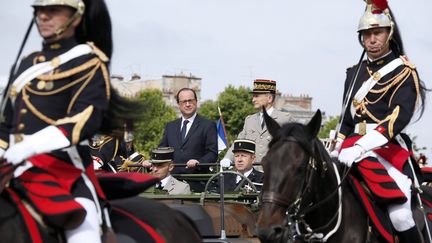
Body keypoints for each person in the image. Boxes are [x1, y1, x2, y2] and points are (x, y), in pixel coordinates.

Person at [0, 0, 141, 242]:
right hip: (13, 167)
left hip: (64, 171)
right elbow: (7, 124)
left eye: (53, 11)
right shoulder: (26, 64)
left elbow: (83, 120)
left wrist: (26, 148)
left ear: (75, 18)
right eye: (39, 10)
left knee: (84, 234)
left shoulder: (88, 62)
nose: (43, 17)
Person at [333, 1, 428, 242]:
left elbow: (398, 119)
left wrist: (362, 146)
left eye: (377, 33)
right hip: (350, 147)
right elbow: (345, 120)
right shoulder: (353, 73)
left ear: (389, 34)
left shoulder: (404, 72)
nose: (372, 39)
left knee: (400, 214)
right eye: (367, 34)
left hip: (386, 149)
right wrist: (336, 149)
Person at [143, 87, 218, 176]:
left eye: (190, 101)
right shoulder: (170, 126)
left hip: (197, 179)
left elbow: (212, 153)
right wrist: (151, 161)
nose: (187, 104)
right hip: (172, 181)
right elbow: (162, 150)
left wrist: (199, 162)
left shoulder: (208, 125)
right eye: (184, 101)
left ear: (196, 102)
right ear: (178, 104)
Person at [220, 79, 294, 168]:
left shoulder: (285, 118)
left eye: (256, 96)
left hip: (274, 174)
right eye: (253, 96)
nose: (253, 100)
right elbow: (239, 142)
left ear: (269, 98)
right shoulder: (250, 120)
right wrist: (228, 158)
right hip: (252, 176)